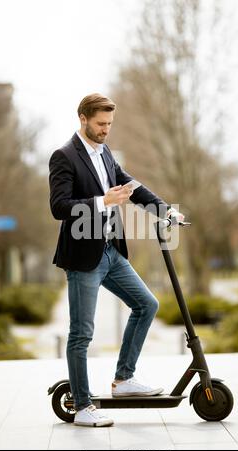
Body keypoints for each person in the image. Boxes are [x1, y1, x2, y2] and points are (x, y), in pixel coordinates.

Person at [49, 93, 184, 427]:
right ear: (82, 118)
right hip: (83, 257)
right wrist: (101, 200)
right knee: (82, 334)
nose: (106, 130)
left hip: (111, 252)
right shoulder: (64, 156)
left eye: (109, 124)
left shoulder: (105, 153)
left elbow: (130, 186)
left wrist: (164, 209)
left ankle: (124, 380)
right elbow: (58, 206)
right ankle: (82, 407)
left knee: (146, 305)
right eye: (100, 124)